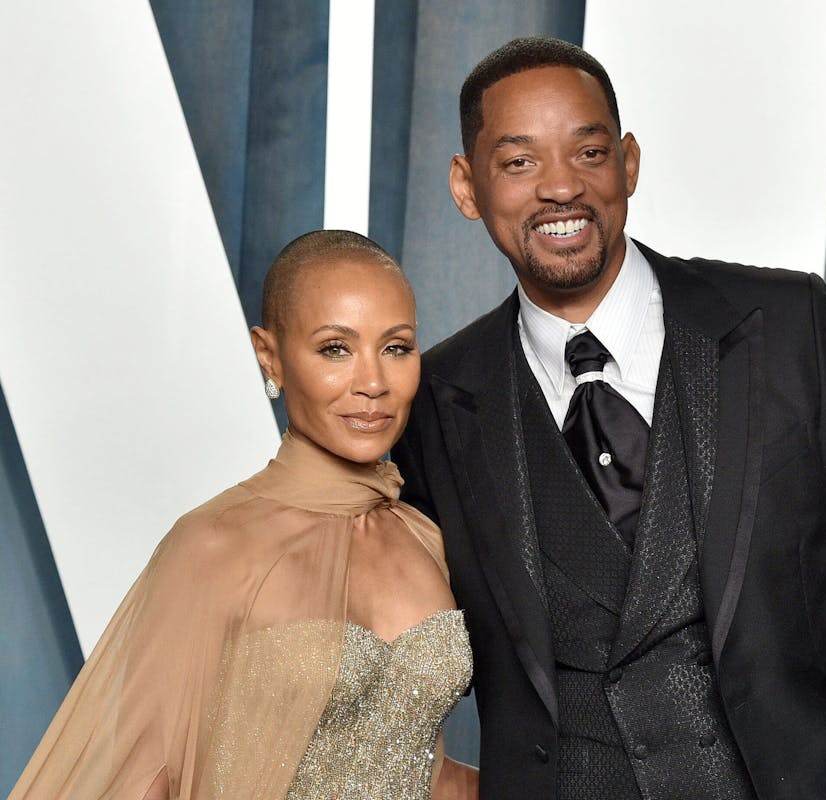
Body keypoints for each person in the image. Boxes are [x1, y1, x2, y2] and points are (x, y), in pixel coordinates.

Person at [390, 37, 826, 800]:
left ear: (627, 163)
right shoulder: (432, 400)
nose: (560, 187)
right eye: (518, 162)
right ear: (466, 185)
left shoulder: (786, 322)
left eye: (588, 153)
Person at [10, 231, 478, 800]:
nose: (373, 384)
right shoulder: (213, 543)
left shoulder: (425, 537)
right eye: (335, 349)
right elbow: (146, 780)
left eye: (397, 348)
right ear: (269, 355)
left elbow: (421, 766)